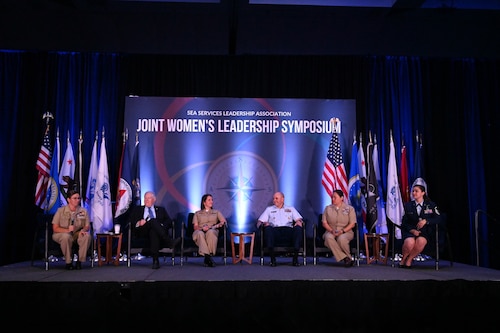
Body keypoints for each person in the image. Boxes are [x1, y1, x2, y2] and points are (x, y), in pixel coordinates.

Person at [129, 191, 180, 269]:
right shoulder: (138, 209)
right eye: (145, 198)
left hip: (157, 234)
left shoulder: (161, 210)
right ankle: (169, 241)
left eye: (148, 198)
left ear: (154, 199)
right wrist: (138, 223)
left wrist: (160, 226)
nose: (146, 200)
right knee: (153, 221)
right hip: (143, 232)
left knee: (154, 231)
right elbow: (130, 222)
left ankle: (155, 261)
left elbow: (169, 222)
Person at [399, 183, 441, 268]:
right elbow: (404, 222)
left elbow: (439, 219)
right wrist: (412, 230)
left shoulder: (431, 205)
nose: (414, 193)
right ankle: (403, 259)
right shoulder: (408, 206)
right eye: (413, 191)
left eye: (416, 191)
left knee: (421, 241)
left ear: (423, 193)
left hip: (425, 232)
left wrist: (427, 221)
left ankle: (409, 259)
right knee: (410, 242)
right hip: (411, 231)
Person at [257, 191, 304, 267]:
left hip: (288, 231)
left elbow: (299, 220)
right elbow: (259, 223)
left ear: (282, 199)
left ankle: (295, 259)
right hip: (275, 231)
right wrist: (264, 223)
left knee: (298, 229)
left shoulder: (290, 208)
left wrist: (299, 222)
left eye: (276, 198)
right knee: (268, 230)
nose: (274, 200)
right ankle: (273, 260)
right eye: (273, 198)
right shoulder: (269, 209)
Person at [52, 189, 92, 270]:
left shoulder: (83, 211)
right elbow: (55, 228)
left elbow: (87, 226)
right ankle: (68, 262)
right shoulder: (61, 211)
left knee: (86, 236)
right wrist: (67, 230)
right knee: (66, 237)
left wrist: (83, 230)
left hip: (76, 233)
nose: (77, 200)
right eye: (75, 198)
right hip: (61, 233)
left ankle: (80, 261)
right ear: (68, 199)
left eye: (78, 198)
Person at [321, 189, 356, 267]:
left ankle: (346, 258)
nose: (333, 199)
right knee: (328, 238)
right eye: (332, 197)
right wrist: (331, 230)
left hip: (346, 231)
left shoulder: (350, 209)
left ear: (342, 198)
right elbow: (324, 223)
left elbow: (352, 224)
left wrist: (342, 231)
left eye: (335, 197)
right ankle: (347, 258)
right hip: (331, 230)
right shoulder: (327, 208)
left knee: (342, 239)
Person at [192, 193, 227, 267]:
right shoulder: (197, 213)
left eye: (212, 200)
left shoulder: (216, 212)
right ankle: (208, 256)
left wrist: (216, 226)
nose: (211, 201)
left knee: (211, 232)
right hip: (200, 230)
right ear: (204, 202)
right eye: (209, 200)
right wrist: (202, 228)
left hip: (212, 229)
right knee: (200, 234)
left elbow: (223, 221)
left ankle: (207, 257)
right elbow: (195, 227)